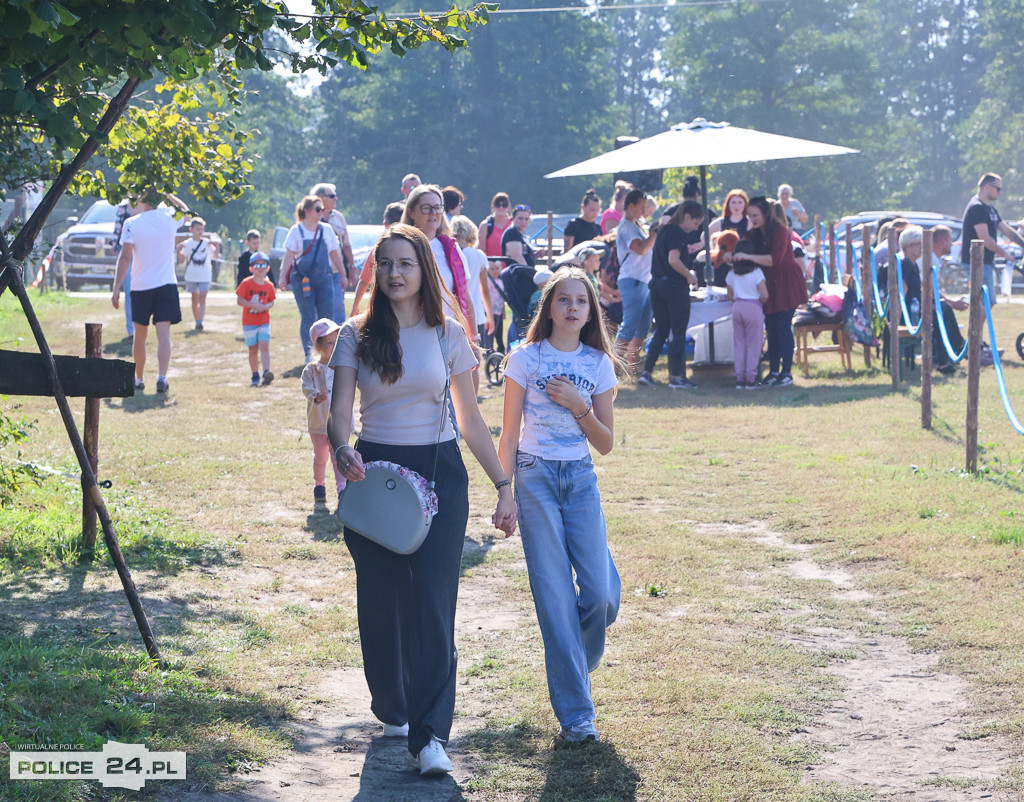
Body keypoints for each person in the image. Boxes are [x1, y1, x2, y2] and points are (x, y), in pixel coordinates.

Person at [327, 223, 516, 776]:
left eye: (405, 263)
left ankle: (431, 735)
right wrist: (341, 448)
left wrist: (503, 485)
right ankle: (392, 705)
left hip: (439, 471)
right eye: (385, 264)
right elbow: (340, 412)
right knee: (381, 604)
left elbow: (473, 422)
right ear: (375, 271)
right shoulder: (353, 334)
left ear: (423, 270)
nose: (394, 273)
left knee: (432, 604)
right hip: (373, 473)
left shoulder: (447, 334)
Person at [497, 265, 621, 744]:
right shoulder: (524, 359)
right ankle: (577, 716)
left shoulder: (597, 364)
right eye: (564, 299)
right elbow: (508, 434)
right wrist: (503, 490)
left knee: (602, 597)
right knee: (554, 600)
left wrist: (579, 405)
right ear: (548, 307)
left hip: (581, 477)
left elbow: (606, 443)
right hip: (534, 478)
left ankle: (575, 657)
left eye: (581, 301)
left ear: (591, 311)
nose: (573, 308)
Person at [111, 191, 190, 394]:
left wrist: (116, 286)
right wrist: (170, 194)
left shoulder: (132, 223)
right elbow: (187, 212)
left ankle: (139, 379)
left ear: (140, 200)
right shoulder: (170, 218)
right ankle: (162, 377)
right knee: (164, 334)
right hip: (166, 284)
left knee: (140, 335)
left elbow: (125, 257)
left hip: (141, 286)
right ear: (159, 199)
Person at [728, 196, 807, 387]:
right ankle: (773, 371)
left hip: (786, 284)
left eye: (755, 215)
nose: (752, 219)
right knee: (771, 328)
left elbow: (775, 260)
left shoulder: (780, 231)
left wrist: (748, 256)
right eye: (750, 216)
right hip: (769, 284)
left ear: (765, 214)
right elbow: (742, 247)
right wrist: (731, 254)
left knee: (782, 327)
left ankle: (786, 372)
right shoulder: (753, 233)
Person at [637, 200, 703, 390]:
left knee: (662, 330)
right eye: (696, 223)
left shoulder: (664, 230)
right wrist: (689, 276)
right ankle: (677, 376)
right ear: (687, 217)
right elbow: (673, 260)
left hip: (657, 285)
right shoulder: (678, 233)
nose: (695, 228)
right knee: (678, 332)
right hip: (674, 286)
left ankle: (647, 372)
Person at [401, 184, 477, 335]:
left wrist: (474, 336)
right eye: (426, 208)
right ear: (411, 211)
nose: (433, 213)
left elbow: (465, 296)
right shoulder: (400, 247)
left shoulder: (451, 250)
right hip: (411, 333)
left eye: (437, 207)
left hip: (449, 335)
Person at [279, 195, 345, 358]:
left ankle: (328, 355)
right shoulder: (296, 230)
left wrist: (343, 274)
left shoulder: (326, 229)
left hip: (324, 278)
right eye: (317, 209)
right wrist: (282, 277)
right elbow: (289, 256)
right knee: (308, 317)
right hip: (303, 281)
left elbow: (334, 254)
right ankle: (309, 355)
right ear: (307, 210)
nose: (321, 212)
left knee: (327, 319)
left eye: (322, 209)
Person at [960, 173, 1024, 305]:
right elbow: (984, 238)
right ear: (987, 187)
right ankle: (976, 326)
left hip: (985, 262)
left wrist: (1023, 243)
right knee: (985, 303)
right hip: (976, 262)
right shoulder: (977, 207)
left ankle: (978, 326)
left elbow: (1007, 231)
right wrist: (1005, 253)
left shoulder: (990, 209)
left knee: (988, 302)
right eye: (998, 189)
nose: (999, 193)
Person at [302, 318, 345, 506]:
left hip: (339, 424)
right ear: (318, 346)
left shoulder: (343, 368)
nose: (334, 346)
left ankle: (342, 489)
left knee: (339, 458)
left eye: (336, 341)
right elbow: (306, 387)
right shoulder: (312, 370)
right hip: (318, 424)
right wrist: (316, 396)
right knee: (321, 456)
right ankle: (319, 486)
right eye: (329, 342)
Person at [615, 189, 656, 374]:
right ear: (631, 206)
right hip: (633, 280)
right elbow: (639, 249)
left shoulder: (636, 225)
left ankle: (632, 366)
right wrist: (654, 234)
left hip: (643, 280)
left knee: (643, 326)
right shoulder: (626, 227)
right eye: (641, 207)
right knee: (630, 325)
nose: (644, 211)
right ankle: (613, 366)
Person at [313, 182, 358, 325]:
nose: (335, 199)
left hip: (336, 271)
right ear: (320, 198)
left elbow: (346, 245)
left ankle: (338, 342)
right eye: (332, 196)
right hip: (316, 273)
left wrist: (352, 267)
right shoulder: (310, 217)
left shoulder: (339, 218)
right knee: (317, 310)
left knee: (338, 307)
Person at [726, 247, 768, 389]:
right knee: (754, 345)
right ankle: (751, 378)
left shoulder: (732, 274)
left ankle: (739, 378)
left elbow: (730, 296)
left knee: (739, 344)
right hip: (753, 306)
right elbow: (765, 295)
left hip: (737, 306)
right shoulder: (757, 273)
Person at [352, 202, 404, 316]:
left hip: (383, 305)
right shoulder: (413, 249)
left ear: (385, 224)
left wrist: (355, 306)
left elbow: (364, 281)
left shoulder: (378, 250)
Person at [929, 225, 968, 373]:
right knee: (944, 310)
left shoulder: (934, 259)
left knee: (945, 309)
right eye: (951, 239)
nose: (952, 243)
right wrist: (953, 302)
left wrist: (952, 301)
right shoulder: (932, 260)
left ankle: (957, 348)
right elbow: (931, 292)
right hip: (919, 307)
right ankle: (948, 357)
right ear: (944, 242)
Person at [450, 215, 493, 346]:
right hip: (476, 314)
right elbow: (485, 290)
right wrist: (490, 316)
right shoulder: (479, 255)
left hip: (453, 314)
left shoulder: (450, 254)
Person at [235, 250, 275, 387]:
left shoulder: (269, 286)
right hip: (249, 323)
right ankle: (255, 374)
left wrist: (266, 306)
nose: (260, 268)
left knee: (264, 345)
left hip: (263, 321)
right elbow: (239, 300)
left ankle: (266, 372)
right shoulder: (246, 283)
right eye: (256, 266)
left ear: (268, 268)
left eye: (263, 265)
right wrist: (253, 305)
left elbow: (272, 301)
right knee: (253, 349)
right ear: (251, 268)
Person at [178, 217, 219, 331]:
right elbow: (181, 261)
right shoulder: (187, 244)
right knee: (194, 298)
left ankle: (200, 321)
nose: (200, 232)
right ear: (191, 229)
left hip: (205, 274)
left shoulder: (207, 243)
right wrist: (178, 250)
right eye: (197, 229)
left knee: (202, 298)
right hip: (192, 274)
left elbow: (215, 256)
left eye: (202, 229)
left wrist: (217, 246)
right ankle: (197, 320)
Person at [112, 199, 137, 337]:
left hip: (142, 248)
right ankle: (131, 329)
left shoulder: (149, 204)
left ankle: (139, 325)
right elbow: (118, 227)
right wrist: (115, 244)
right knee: (129, 290)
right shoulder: (123, 206)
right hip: (126, 247)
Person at [478, 192, 512, 259]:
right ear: (493, 207)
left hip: (511, 266)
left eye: (504, 205)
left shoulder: (514, 223)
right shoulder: (485, 225)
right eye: (498, 205)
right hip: (492, 266)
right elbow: (481, 252)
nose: (501, 207)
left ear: (508, 207)